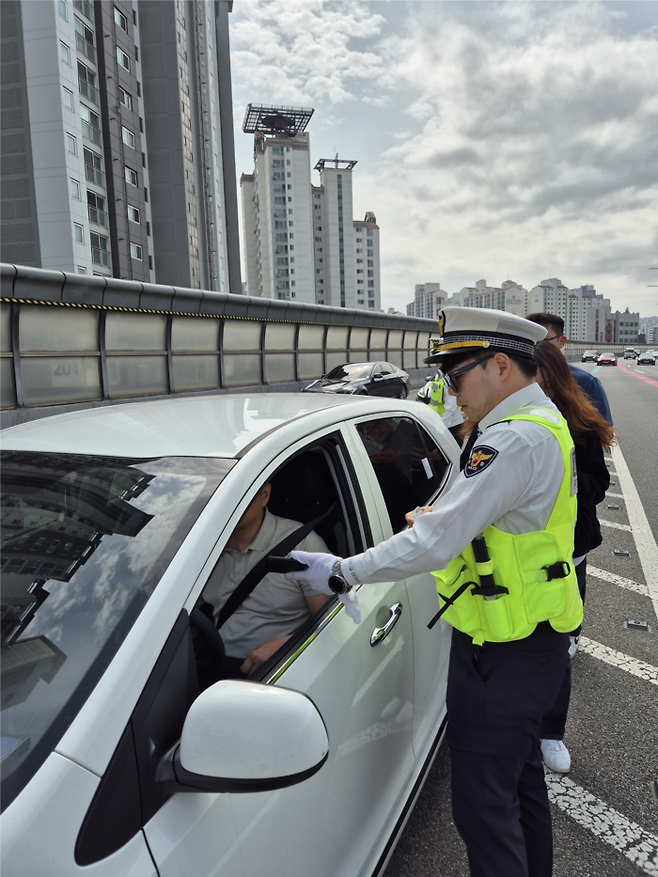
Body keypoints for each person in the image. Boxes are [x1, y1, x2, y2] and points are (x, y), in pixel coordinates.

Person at [288, 307, 582, 877]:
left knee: (482, 808)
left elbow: (433, 545)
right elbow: (487, 525)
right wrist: (441, 522)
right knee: (518, 787)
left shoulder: (512, 441)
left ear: (500, 366)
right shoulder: (537, 423)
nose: (449, 390)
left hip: (504, 652)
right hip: (526, 638)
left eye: (456, 375)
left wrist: (341, 571)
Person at [533, 341, 614, 773]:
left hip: (568, 551)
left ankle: (552, 732)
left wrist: (558, 481)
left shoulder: (578, 422)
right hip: (516, 556)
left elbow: (598, 482)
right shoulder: (503, 423)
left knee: (557, 643)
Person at [201, 483, 330, 677]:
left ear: (264, 495)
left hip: (277, 671)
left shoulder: (302, 544)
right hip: (208, 663)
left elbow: (332, 623)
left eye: (237, 495)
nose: (227, 504)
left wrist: (285, 646)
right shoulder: (202, 547)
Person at [526, 312, 613, 424]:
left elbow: (605, 428)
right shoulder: (512, 379)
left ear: (561, 342)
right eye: (529, 340)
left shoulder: (586, 382)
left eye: (543, 341)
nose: (535, 346)